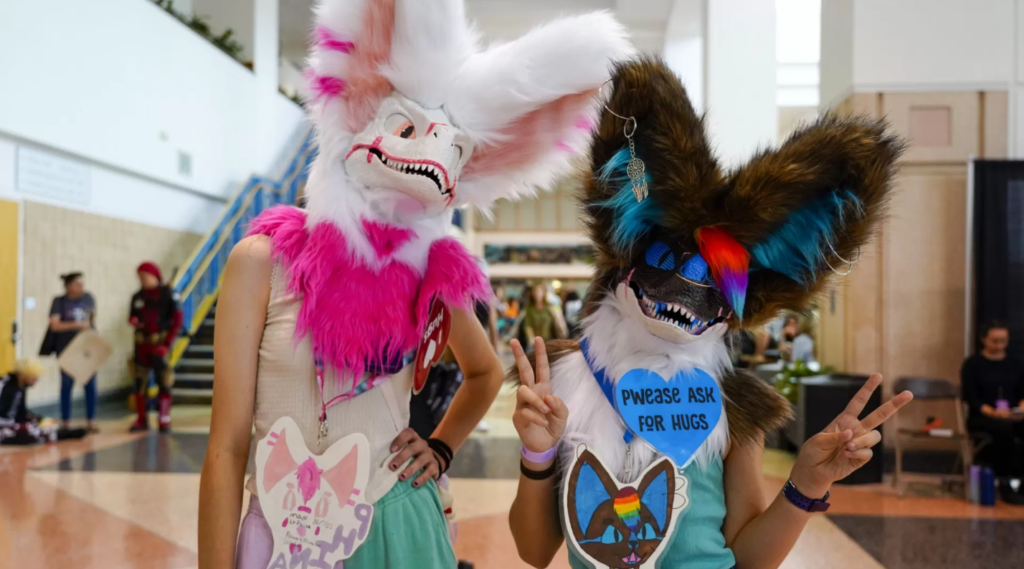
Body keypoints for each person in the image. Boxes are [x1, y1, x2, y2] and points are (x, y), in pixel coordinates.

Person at [196, 2, 630, 568]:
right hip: (284, 528)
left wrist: (441, 446)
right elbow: (226, 446)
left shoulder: (427, 276)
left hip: (398, 523)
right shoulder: (261, 263)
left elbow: (484, 372)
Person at [506, 57, 909, 569]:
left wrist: (806, 486)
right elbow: (535, 552)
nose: (686, 288)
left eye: (713, 280)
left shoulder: (731, 406)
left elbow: (749, 557)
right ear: (627, 261)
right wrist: (539, 455)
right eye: (665, 261)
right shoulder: (566, 388)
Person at [962, 321, 1024, 504]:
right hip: (983, 417)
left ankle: (1020, 481)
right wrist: (995, 413)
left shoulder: (1016, 363)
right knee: (1003, 430)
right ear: (984, 340)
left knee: (1015, 427)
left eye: (1003, 341)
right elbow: (972, 398)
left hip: (1012, 415)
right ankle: (1006, 482)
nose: (999, 345)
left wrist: (1020, 410)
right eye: (995, 341)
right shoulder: (973, 364)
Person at [128, 262, 183, 433]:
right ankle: (142, 419)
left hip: (160, 344)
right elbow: (132, 316)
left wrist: (167, 344)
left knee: (164, 381)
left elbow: (178, 321)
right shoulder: (137, 297)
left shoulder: (168, 294)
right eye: (140, 277)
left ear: (154, 275)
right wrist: (134, 321)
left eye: (145, 276)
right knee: (139, 383)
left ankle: (164, 419)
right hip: (141, 345)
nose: (142, 280)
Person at [47, 272, 98, 433]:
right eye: (77, 284)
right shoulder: (59, 302)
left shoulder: (88, 298)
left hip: (85, 349)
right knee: (66, 385)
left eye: (82, 284)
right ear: (69, 286)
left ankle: (91, 420)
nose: (81, 288)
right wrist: (76, 325)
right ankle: (66, 422)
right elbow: (55, 325)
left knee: (90, 385)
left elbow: (92, 320)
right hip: (66, 349)